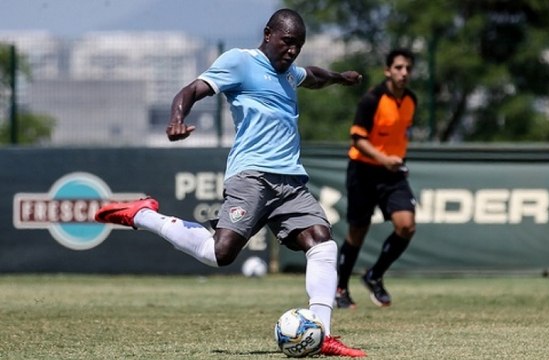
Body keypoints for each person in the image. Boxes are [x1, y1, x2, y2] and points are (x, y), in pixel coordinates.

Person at [95, 9, 366, 357]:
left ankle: (322, 335)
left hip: (291, 182)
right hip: (251, 176)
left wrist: (340, 78)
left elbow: (313, 75)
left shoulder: (289, 73)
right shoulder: (240, 62)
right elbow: (191, 89)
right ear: (268, 34)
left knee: (322, 244)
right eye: (287, 42)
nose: (292, 51)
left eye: (298, 45)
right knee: (218, 253)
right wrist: (177, 119)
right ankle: (143, 214)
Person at [335, 49, 417, 309]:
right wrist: (384, 159)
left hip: (392, 172)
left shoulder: (411, 100)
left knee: (406, 225)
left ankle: (374, 274)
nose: (404, 73)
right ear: (388, 70)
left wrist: (395, 160)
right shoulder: (372, 99)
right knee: (358, 231)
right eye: (399, 67)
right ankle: (340, 289)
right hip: (363, 170)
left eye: (408, 69)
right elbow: (357, 139)